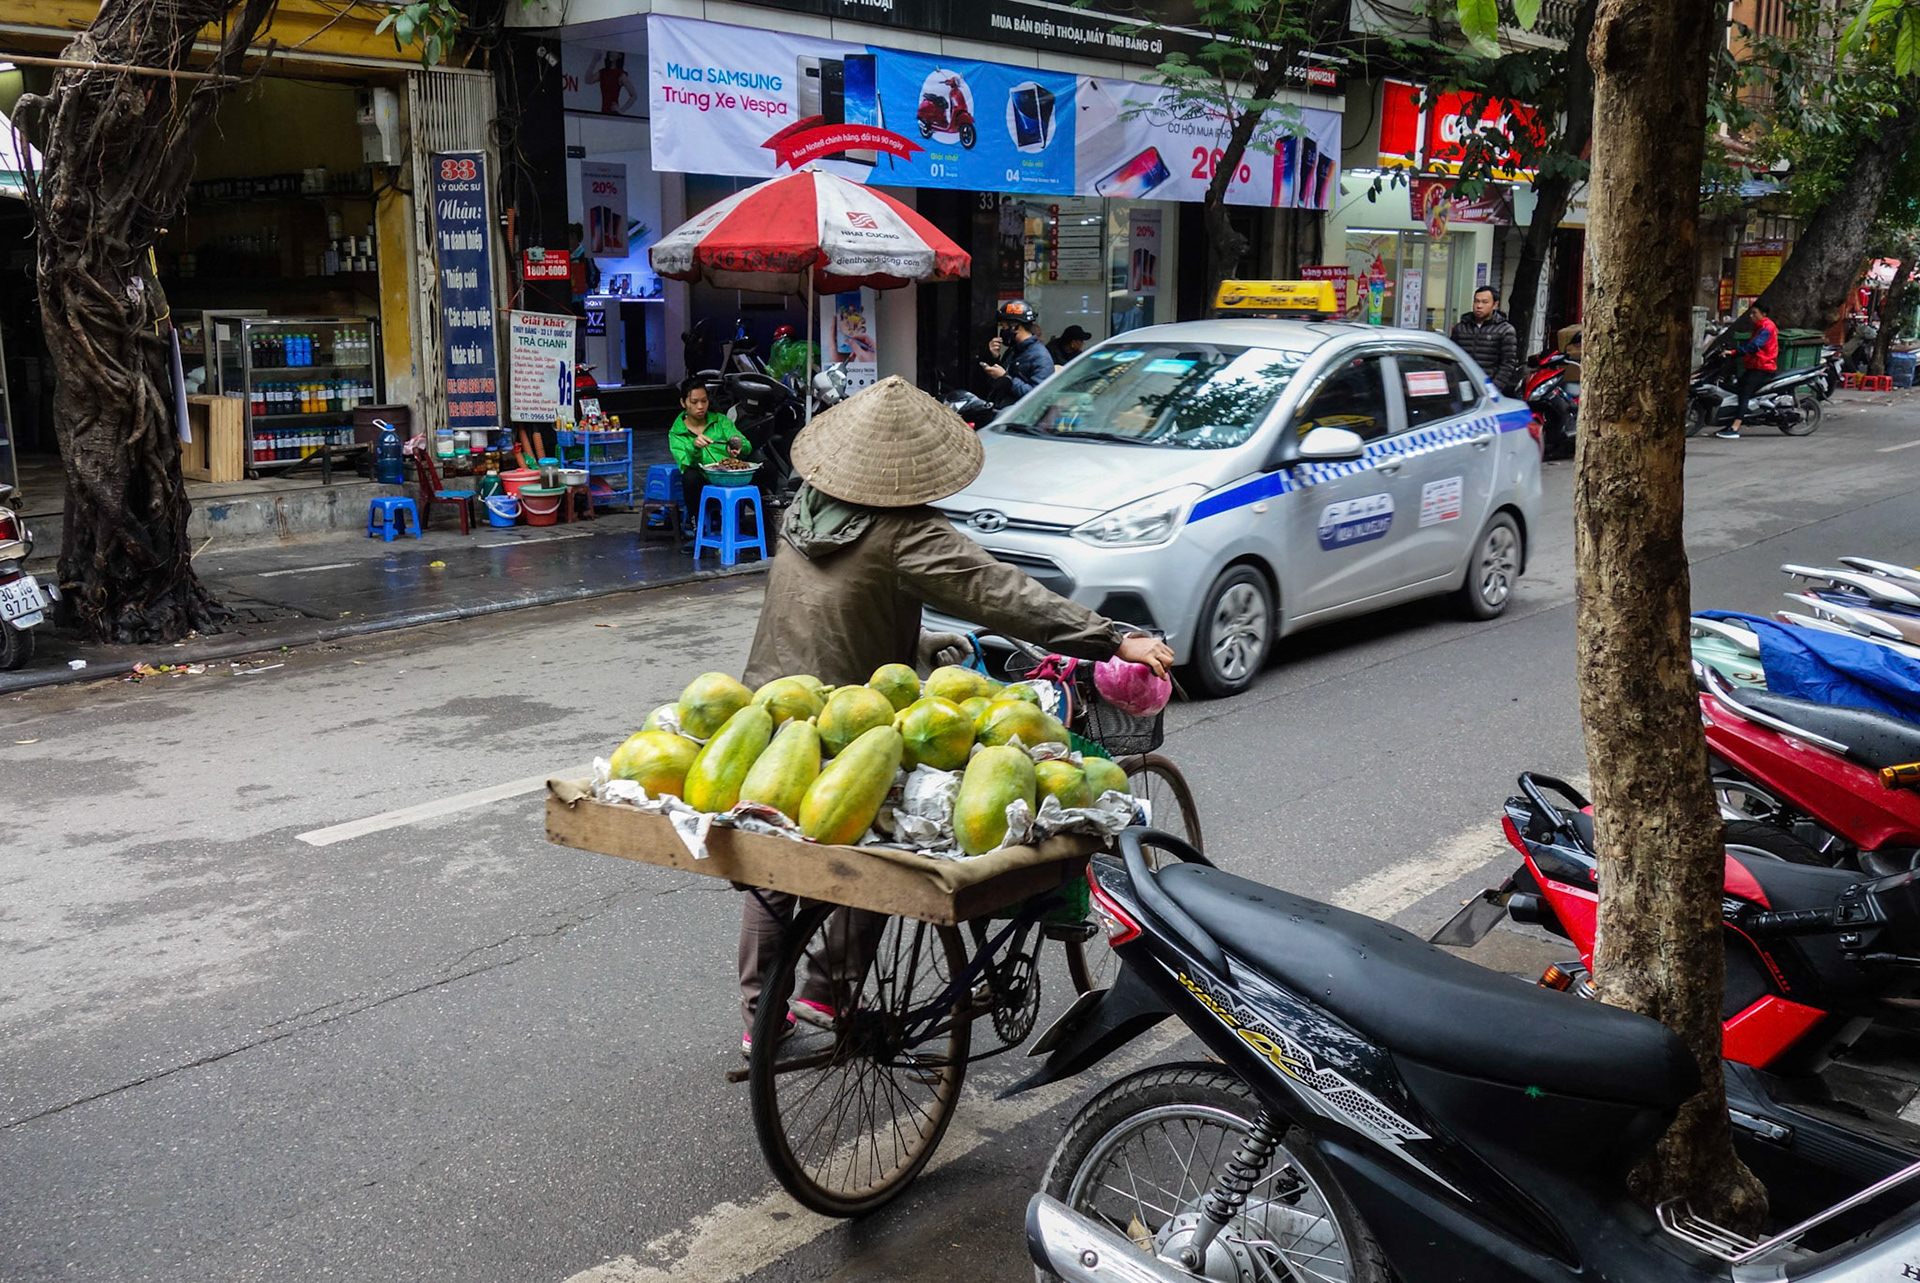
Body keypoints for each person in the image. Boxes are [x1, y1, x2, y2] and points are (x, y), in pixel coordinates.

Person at [734, 376, 1174, 1053]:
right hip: (849, 723)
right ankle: (829, 986)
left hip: (770, 708)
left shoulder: (807, 508)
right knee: (884, 845)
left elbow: (840, 610)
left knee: (776, 862)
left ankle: (762, 1015)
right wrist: (1113, 635)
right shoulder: (904, 530)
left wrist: (917, 645)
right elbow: (1000, 593)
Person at [667, 378, 756, 547]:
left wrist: (737, 447)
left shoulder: (720, 421)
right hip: (703, 478)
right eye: (694, 402)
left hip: (731, 476)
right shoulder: (677, 433)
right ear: (683, 403)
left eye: (704, 401)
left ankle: (765, 525)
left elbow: (745, 445)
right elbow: (686, 464)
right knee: (690, 477)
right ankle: (697, 531)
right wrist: (695, 447)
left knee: (767, 469)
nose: (700, 407)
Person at [1717, 300, 1778, 440]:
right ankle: (1730, 422)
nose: (1751, 316)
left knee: (1744, 394)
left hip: (1763, 367)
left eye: (1754, 313)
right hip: (1754, 366)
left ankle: (1735, 427)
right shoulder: (1759, 326)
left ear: (1763, 314)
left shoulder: (1766, 328)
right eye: (1751, 313)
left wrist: (1733, 352)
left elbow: (1753, 347)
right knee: (1736, 389)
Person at [980, 299, 1054, 406]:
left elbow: (1038, 395)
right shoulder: (1013, 350)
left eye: (1004, 326)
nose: (1003, 331)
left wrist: (1006, 378)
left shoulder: (1040, 356)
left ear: (1014, 327)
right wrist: (994, 358)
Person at [1450, 286, 1520, 396]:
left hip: (1489, 386)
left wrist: (1494, 388)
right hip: (1464, 386)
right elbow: (1451, 357)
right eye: (1476, 301)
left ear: (1495, 305)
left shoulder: (1505, 330)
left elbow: (1508, 364)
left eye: (1485, 302)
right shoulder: (1461, 328)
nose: (1479, 306)